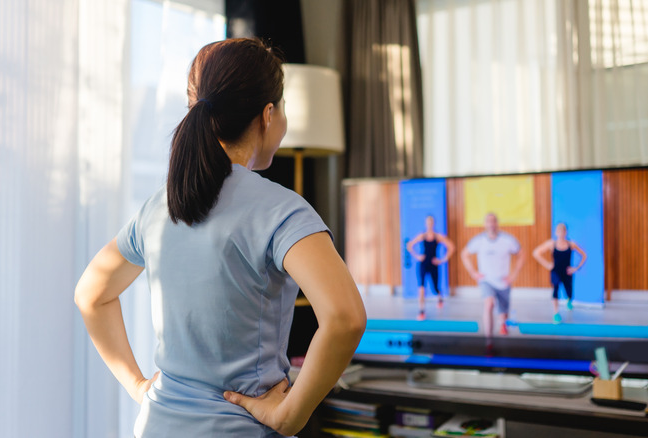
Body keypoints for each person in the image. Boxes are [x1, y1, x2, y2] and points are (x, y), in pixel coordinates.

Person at [74, 38, 366, 438]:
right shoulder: (280, 209)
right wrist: (290, 415)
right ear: (268, 114)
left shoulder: (160, 205)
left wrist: (139, 387)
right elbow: (345, 318)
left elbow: (91, 295)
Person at [460, 213, 525, 340]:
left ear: (497, 223)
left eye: (493, 221)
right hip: (486, 280)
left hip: (503, 280)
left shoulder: (508, 240)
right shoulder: (478, 240)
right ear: (485, 224)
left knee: (503, 309)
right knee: (488, 304)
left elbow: (521, 254)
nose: (491, 224)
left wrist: (514, 274)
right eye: (488, 221)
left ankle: (503, 324)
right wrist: (472, 272)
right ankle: (488, 339)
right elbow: (464, 254)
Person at [532, 222, 587, 323]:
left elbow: (584, 255)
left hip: (567, 272)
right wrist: (547, 265)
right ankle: (556, 313)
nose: (561, 233)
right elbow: (536, 253)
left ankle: (569, 300)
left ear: (566, 232)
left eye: (563, 231)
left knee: (569, 292)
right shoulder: (552, 244)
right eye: (559, 231)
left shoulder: (571, 244)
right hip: (556, 271)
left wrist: (576, 268)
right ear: (556, 232)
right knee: (555, 289)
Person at [406, 215, 455, 321]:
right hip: (423, 263)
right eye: (427, 223)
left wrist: (442, 259)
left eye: (431, 223)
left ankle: (439, 298)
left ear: (433, 224)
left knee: (435, 288)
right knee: (421, 287)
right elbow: (409, 245)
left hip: (433, 264)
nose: (429, 225)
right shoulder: (422, 236)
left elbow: (451, 247)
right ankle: (421, 310)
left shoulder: (438, 237)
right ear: (425, 224)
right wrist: (417, 256)